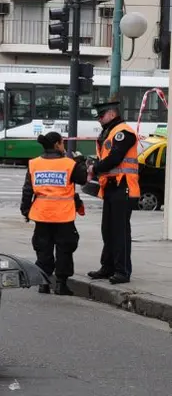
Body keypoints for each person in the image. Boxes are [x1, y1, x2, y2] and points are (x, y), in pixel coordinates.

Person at [20, 132, 88, 295]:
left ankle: (43, 283)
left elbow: (27, 190)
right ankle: (61, 284)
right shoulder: (68, 164)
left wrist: (25, 210)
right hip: (63, 215)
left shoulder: (34, 163)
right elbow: (83, 179)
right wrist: (80, 162)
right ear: (57, 144)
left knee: (43, 248)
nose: (64, 146)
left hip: (42, 214)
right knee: (64, 248)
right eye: (63, 143)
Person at [87, 101, 139, 285]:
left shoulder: (123, 132)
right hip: (111, 186)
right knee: (108, 230)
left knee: (120, 231)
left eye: (101, 116)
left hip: (123, 187)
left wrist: (95, 168)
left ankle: (122, 271)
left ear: (111, 113)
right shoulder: (109, 131)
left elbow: (115, 159)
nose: (99, 119)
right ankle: (107, 267)